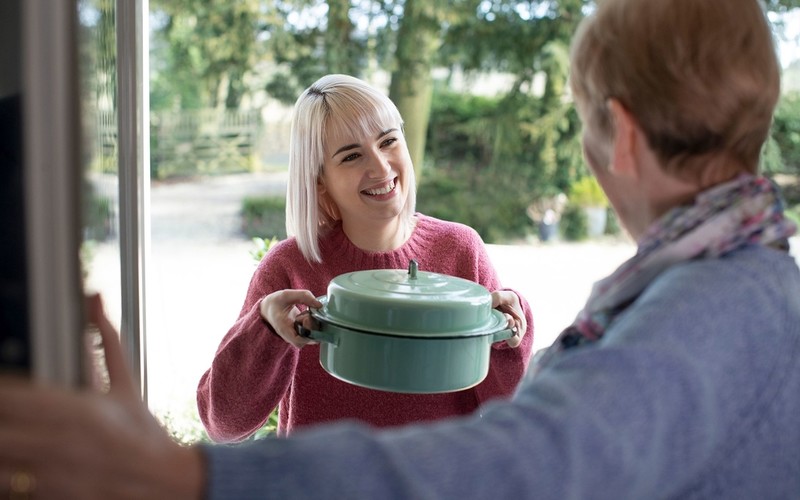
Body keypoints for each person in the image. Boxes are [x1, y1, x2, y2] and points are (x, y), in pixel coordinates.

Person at [1, 0, 799, 497]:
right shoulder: (750, 283)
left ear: (619, 134)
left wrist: (173, 478)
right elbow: (228, 416)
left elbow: (528, 458)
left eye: (585, 117)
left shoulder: (700, 309)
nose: (380, 167)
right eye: (351, 156)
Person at [196, 74, 534, 440]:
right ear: (320, 181)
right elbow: (224, 424)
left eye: (388, 141)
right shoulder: (289, 269)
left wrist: (510, 333)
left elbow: (507, 407)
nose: (381, 167)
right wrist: (264, 328)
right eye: (352, 155)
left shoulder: (460, 250)